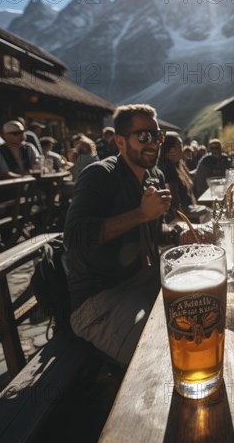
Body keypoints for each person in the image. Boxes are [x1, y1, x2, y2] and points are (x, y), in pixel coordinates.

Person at [64, 104, 177, 365]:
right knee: (161, 361)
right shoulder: (99, 175)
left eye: (157, 136)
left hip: (142, 280)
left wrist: (177, 235)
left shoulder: (154, 175)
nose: (153, 143)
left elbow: (150, 231)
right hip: (99, 300)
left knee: (201, 313)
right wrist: (141, 214)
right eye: (143, 136)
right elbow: (74, 236)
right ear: (120, 142)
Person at [158, 132, 201, 221]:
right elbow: (174, 206)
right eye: (180, 145)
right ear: (172, 150)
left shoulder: (179, 164)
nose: (183, 148)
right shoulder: (167, 170)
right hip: (182, 221)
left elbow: (190, 179)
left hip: (189, 216)